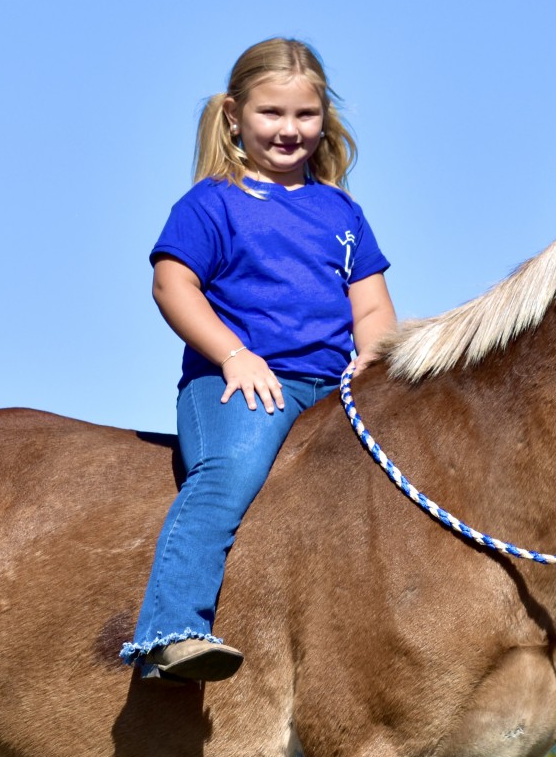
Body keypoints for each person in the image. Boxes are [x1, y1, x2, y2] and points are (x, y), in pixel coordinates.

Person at [121, 38, 396, 683]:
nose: (289, 130)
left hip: (334, 387)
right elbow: (173, 286)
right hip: (241, 383)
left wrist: (374, 357)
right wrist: (235, 355)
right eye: (272, 114)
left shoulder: (342, 211)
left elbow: (374, 308)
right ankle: (171, 629)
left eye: (305, 115)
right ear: (235, 116)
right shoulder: (211, 203)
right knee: (229, 473)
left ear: (324, 118)